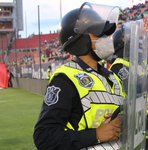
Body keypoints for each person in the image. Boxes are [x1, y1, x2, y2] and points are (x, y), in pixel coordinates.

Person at [33, 3, 125, 150]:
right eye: (98, 34)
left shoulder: (112, 77)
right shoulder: (65, 79)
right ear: (80, 40)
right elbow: (44, 136)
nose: (106, 39)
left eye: (106, 35)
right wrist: (96, 135)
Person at [109, 28, 148, 150]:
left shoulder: (139, 65)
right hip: (136, 120)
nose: (141, 46)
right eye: (137, 43)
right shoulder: (118, 65)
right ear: (126, 45)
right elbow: (132, 88)